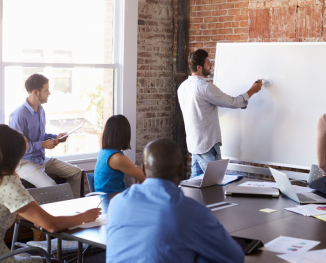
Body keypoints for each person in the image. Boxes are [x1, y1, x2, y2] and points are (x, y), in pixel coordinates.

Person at [106, 138, 244, 263]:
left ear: (143, 169)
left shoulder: (117, 203)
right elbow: (236, 257)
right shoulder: (192, 212)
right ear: (180, 170)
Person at [0, 124, 101, 263]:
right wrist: (86, 216)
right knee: (53, 261)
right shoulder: (5, 182)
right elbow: (51, 225)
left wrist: (35, 217)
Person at [177, 49, 263, 178]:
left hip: (194, 145)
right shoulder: (205, 87)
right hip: (208, 146)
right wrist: (252, 91)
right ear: (199, 67)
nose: (210, 65)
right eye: (208, 63)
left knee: (195, 186)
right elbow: (232, 102)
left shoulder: (182, 87)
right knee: (215, 183)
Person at [9, 74, 82, 198]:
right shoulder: (18, 115)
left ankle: (73, 207)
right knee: (52, 186)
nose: (49, 93)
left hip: (41, 159)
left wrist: (56, 137)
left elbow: (41, 135)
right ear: (36, 92)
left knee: (76, 172)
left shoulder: (40, 110)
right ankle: (59, 215)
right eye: (46, 90)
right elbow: (17, 146)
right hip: (24, 163)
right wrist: (43, 145)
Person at [94, 115, 145, 193]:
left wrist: (135, 168)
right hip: (111, 200)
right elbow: (145, 178)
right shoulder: (117, 158)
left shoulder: (104, 150)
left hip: (103, 198)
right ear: (124, 134)